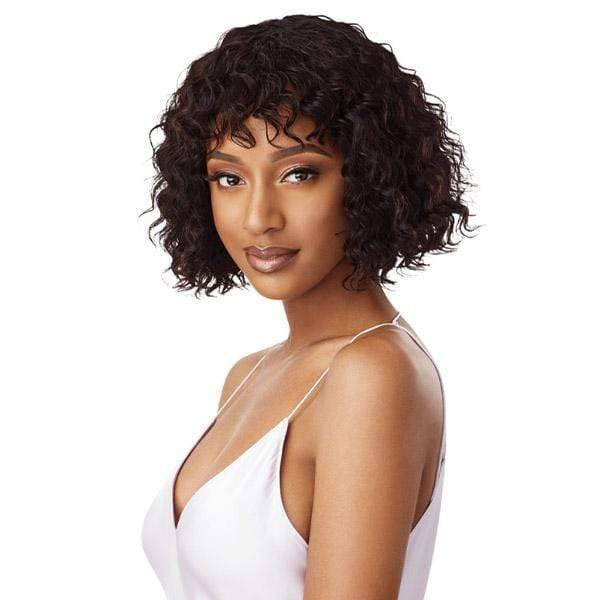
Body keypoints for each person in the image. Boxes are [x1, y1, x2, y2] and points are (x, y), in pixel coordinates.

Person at [141, 13, 476, 600]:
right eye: (229, 178)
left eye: (299, 173)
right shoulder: (249, 375)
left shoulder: (372, 374)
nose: (258, 218)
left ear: (370, 176)